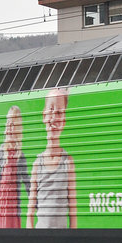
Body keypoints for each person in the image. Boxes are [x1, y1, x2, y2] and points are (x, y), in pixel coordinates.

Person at [26, 87, 76, 229]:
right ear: (44, 116)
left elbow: (73, 206)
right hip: (39, 233)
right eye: (51, 110)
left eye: (59, 112)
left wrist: (74, 237)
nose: (54, 117)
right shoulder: (38, 163)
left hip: (63, 236)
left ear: (64, 120)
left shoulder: (68, 162)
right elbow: (30, 208)